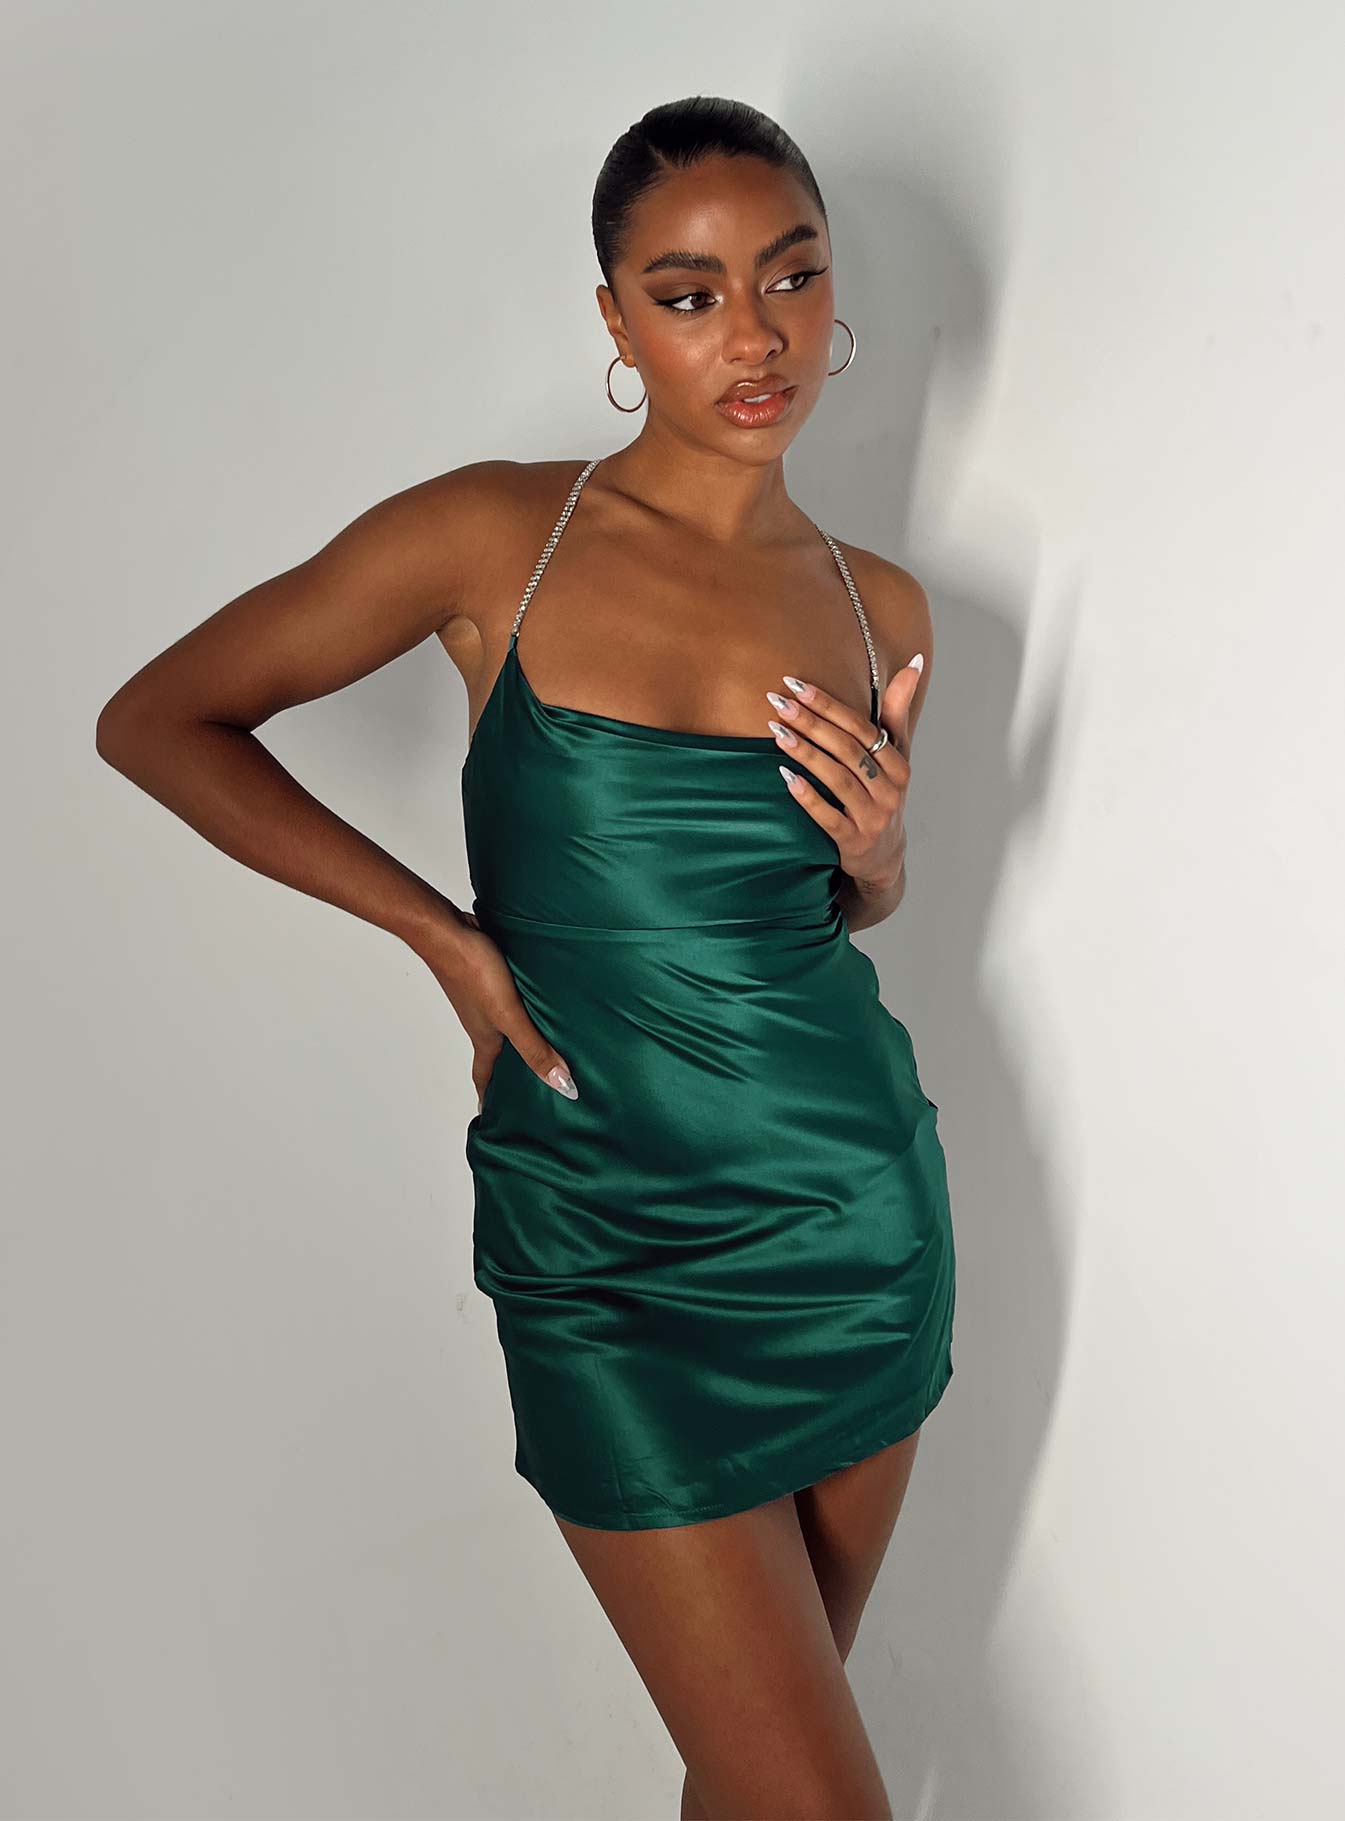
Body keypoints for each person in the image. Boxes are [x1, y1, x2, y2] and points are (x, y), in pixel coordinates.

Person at [97, 93, 956, 1821]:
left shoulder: (881, 606)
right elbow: (160, 720)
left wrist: (877, 857)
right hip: (603, 1244)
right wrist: (442, 936)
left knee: (758, 1784)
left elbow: (826, 913)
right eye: (689, 292)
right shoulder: (499, 537)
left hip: (849, 1216)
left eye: (789, 276)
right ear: (616, 322)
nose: (754, 333)